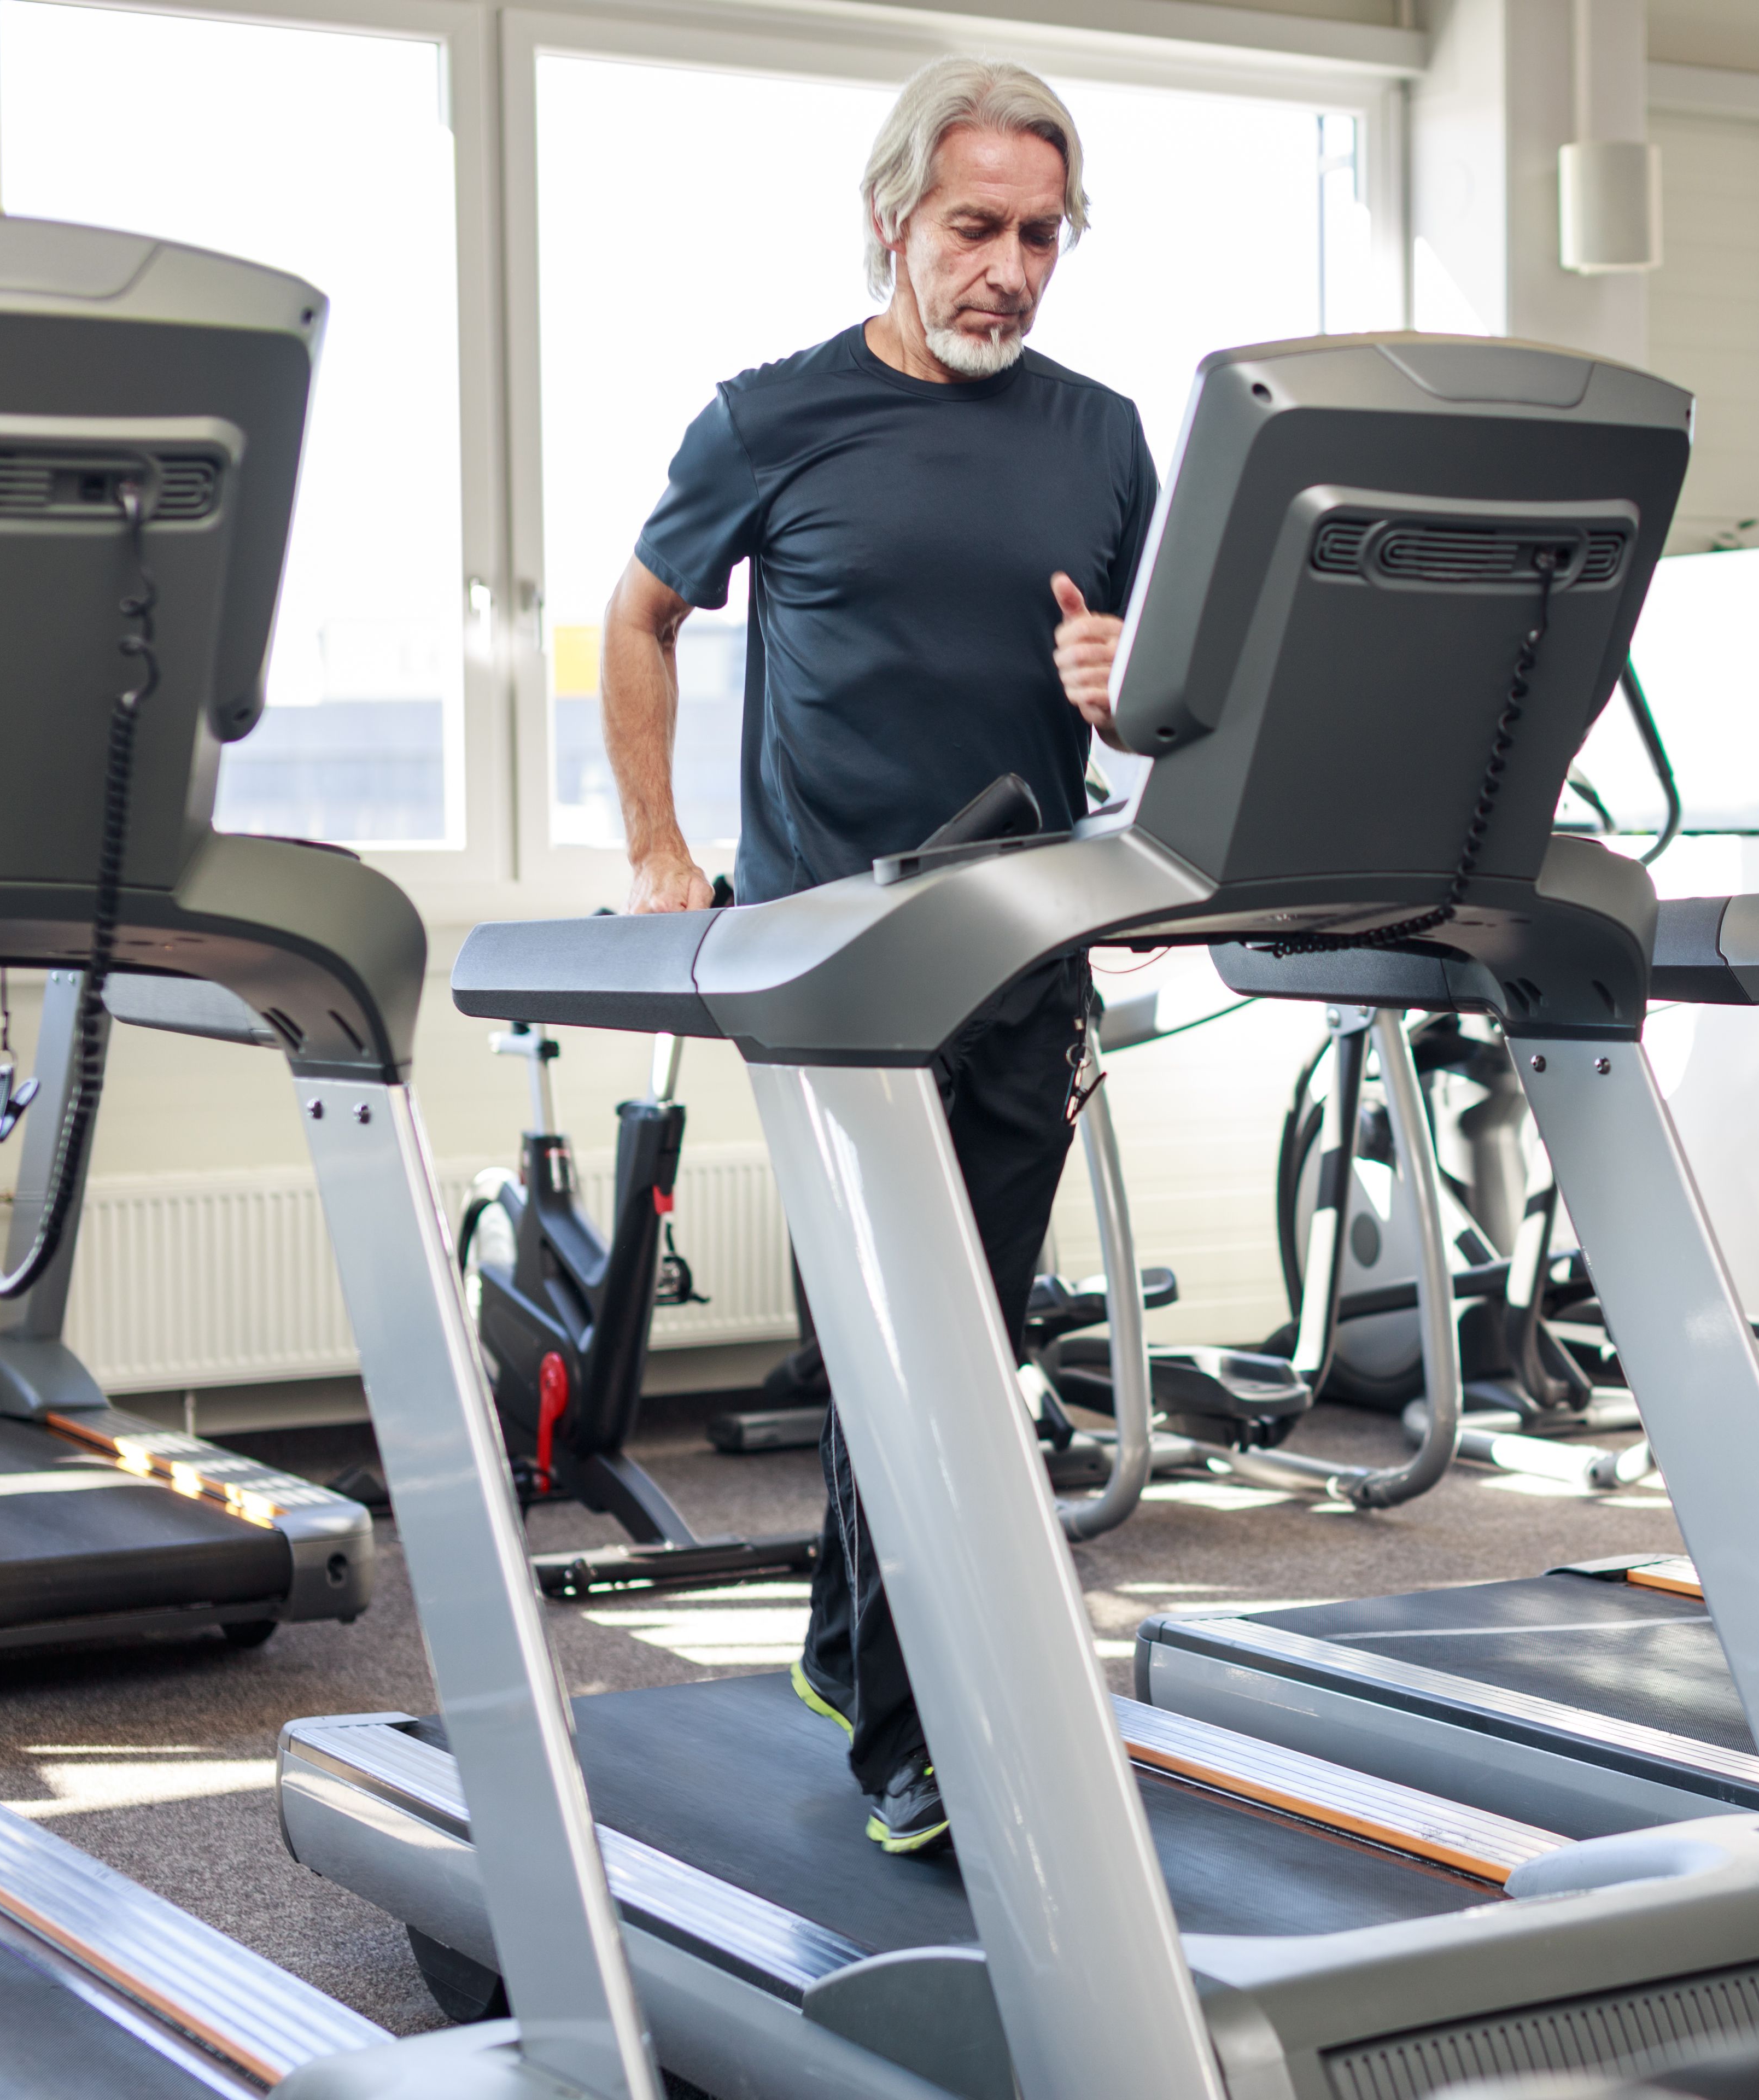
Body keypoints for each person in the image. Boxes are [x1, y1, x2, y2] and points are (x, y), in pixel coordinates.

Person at [600, 54, 1153, 1856]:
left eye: (1042, 237)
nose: (1009, 267)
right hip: (836, 962)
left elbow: (1176, 691)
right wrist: (662, 850)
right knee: (895, 1337)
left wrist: (1125, 691)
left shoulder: (1103, 436)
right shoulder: (773, 420)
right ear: (891, 223)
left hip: (1025, 943)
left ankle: (852, 1656)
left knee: (971, 1338)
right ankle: (915, 1734)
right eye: (976, 227)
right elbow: (641, 614)